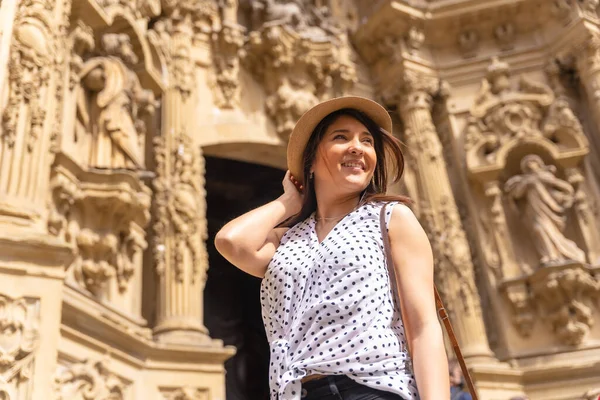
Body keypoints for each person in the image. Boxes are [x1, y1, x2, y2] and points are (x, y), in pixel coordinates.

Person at [215, 96, 449, 399]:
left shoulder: (390, 218)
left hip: (372, 388)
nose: (358, 147)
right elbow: (231, 242)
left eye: (367, 141)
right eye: (342, 137)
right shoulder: (289, 239)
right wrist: (288, 201)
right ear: (310, 161)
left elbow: (423, 327)